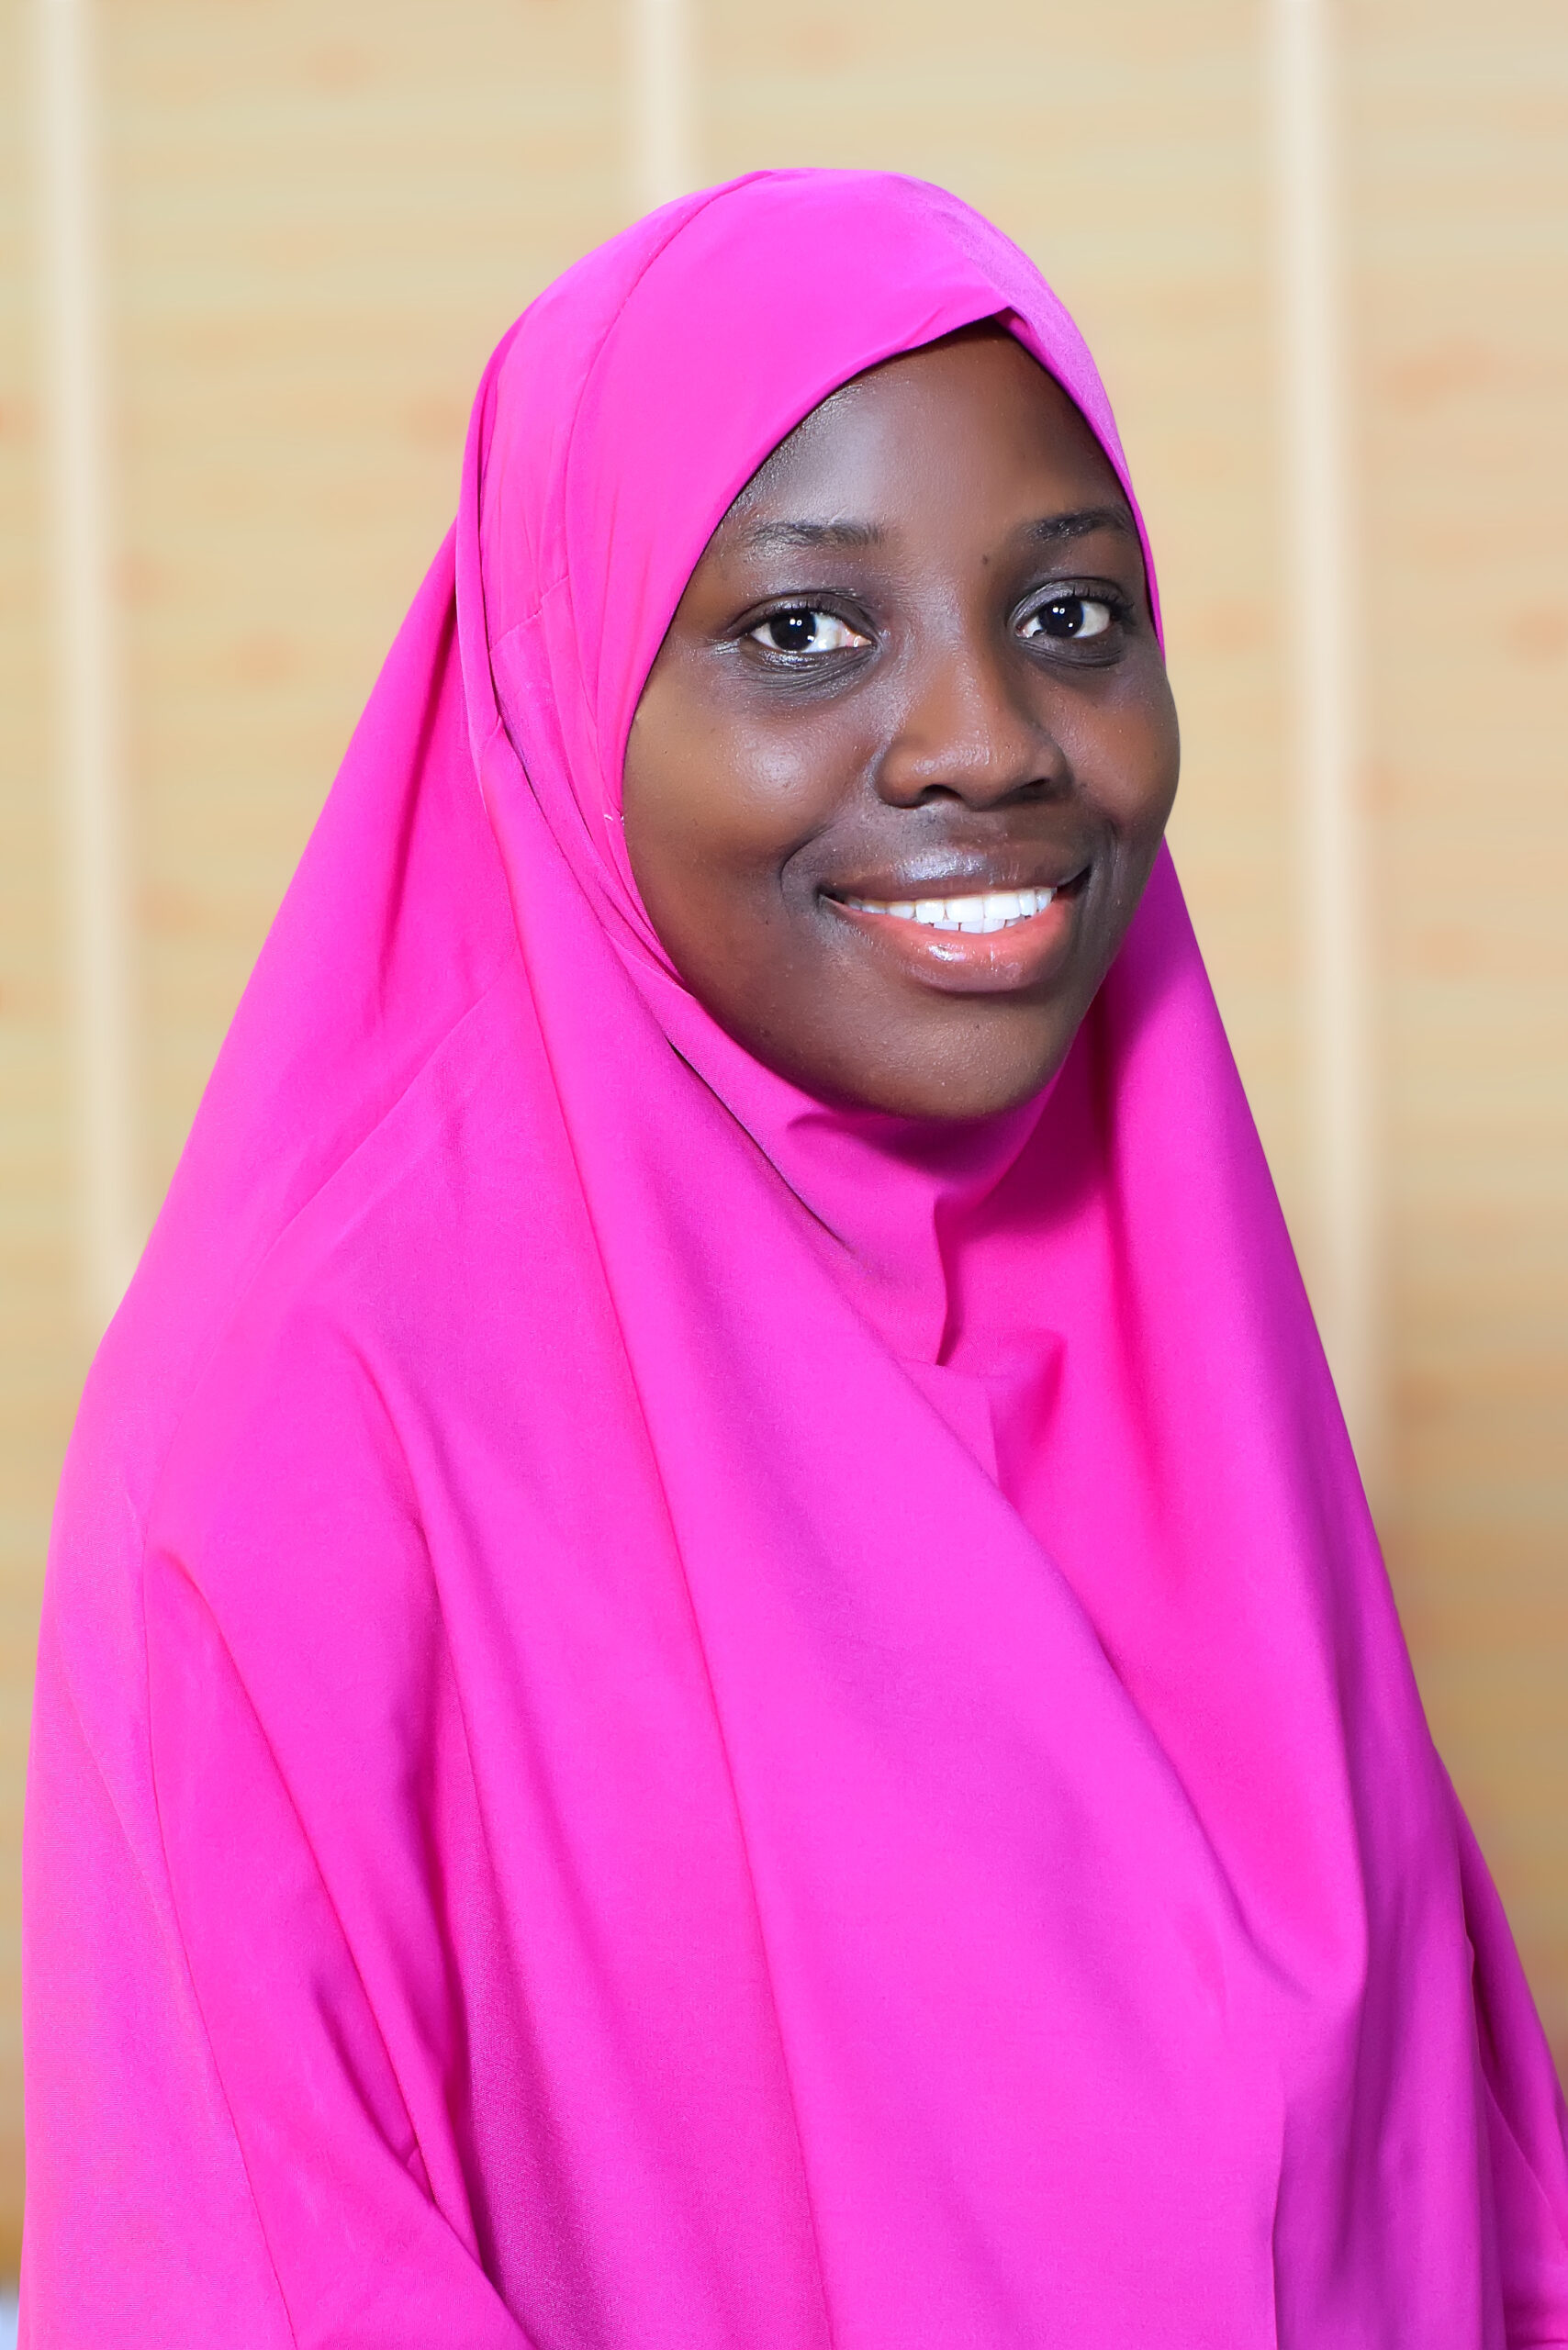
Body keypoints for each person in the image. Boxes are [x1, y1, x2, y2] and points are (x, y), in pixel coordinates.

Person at [22, 169, 1568, 2346]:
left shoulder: (1164, 1273)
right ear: (563, 685)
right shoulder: (310, 1405)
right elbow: (263, 2267)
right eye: (802, 631)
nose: (987, 740)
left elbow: (1444, 2171)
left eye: (1070, 614)